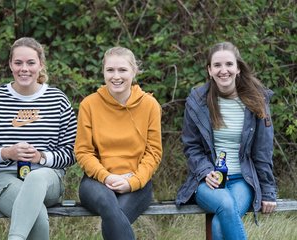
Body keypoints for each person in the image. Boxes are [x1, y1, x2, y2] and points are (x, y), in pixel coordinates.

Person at [0, 37, 77, 240]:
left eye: (31, 62)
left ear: (41, 65)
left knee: (35, 177)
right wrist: (6, 153)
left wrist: (42, 157)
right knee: (37, 217)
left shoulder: (58, 100)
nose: (24, 69)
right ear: (10, 65)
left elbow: (72, 151)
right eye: (18, 63)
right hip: (4, 179)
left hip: (47, 179)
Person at [176, 42, 277, 240]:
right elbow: (191, 146)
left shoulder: (257, 101)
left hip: (243, 180)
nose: (224, 71)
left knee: (219, 224)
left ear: (238, 68)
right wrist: (206, 172)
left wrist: (268, 191)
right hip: (207, 182)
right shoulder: (197, 101)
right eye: (217, 65)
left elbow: (263, 151)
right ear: (209, 70)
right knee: (226, 205)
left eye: (229, 64)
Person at [74, 46, 163, 240]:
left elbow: (153, 152)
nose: (116, 76)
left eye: (122, 70)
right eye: (110, 70)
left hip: (137, 181)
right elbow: (83, 152)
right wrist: (106, 177)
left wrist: (132, 182)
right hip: (96, 181)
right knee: (109, 207)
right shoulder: (89, 105)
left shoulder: (150, 106)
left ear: (134, 72)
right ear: (103, 72)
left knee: (115, 218)